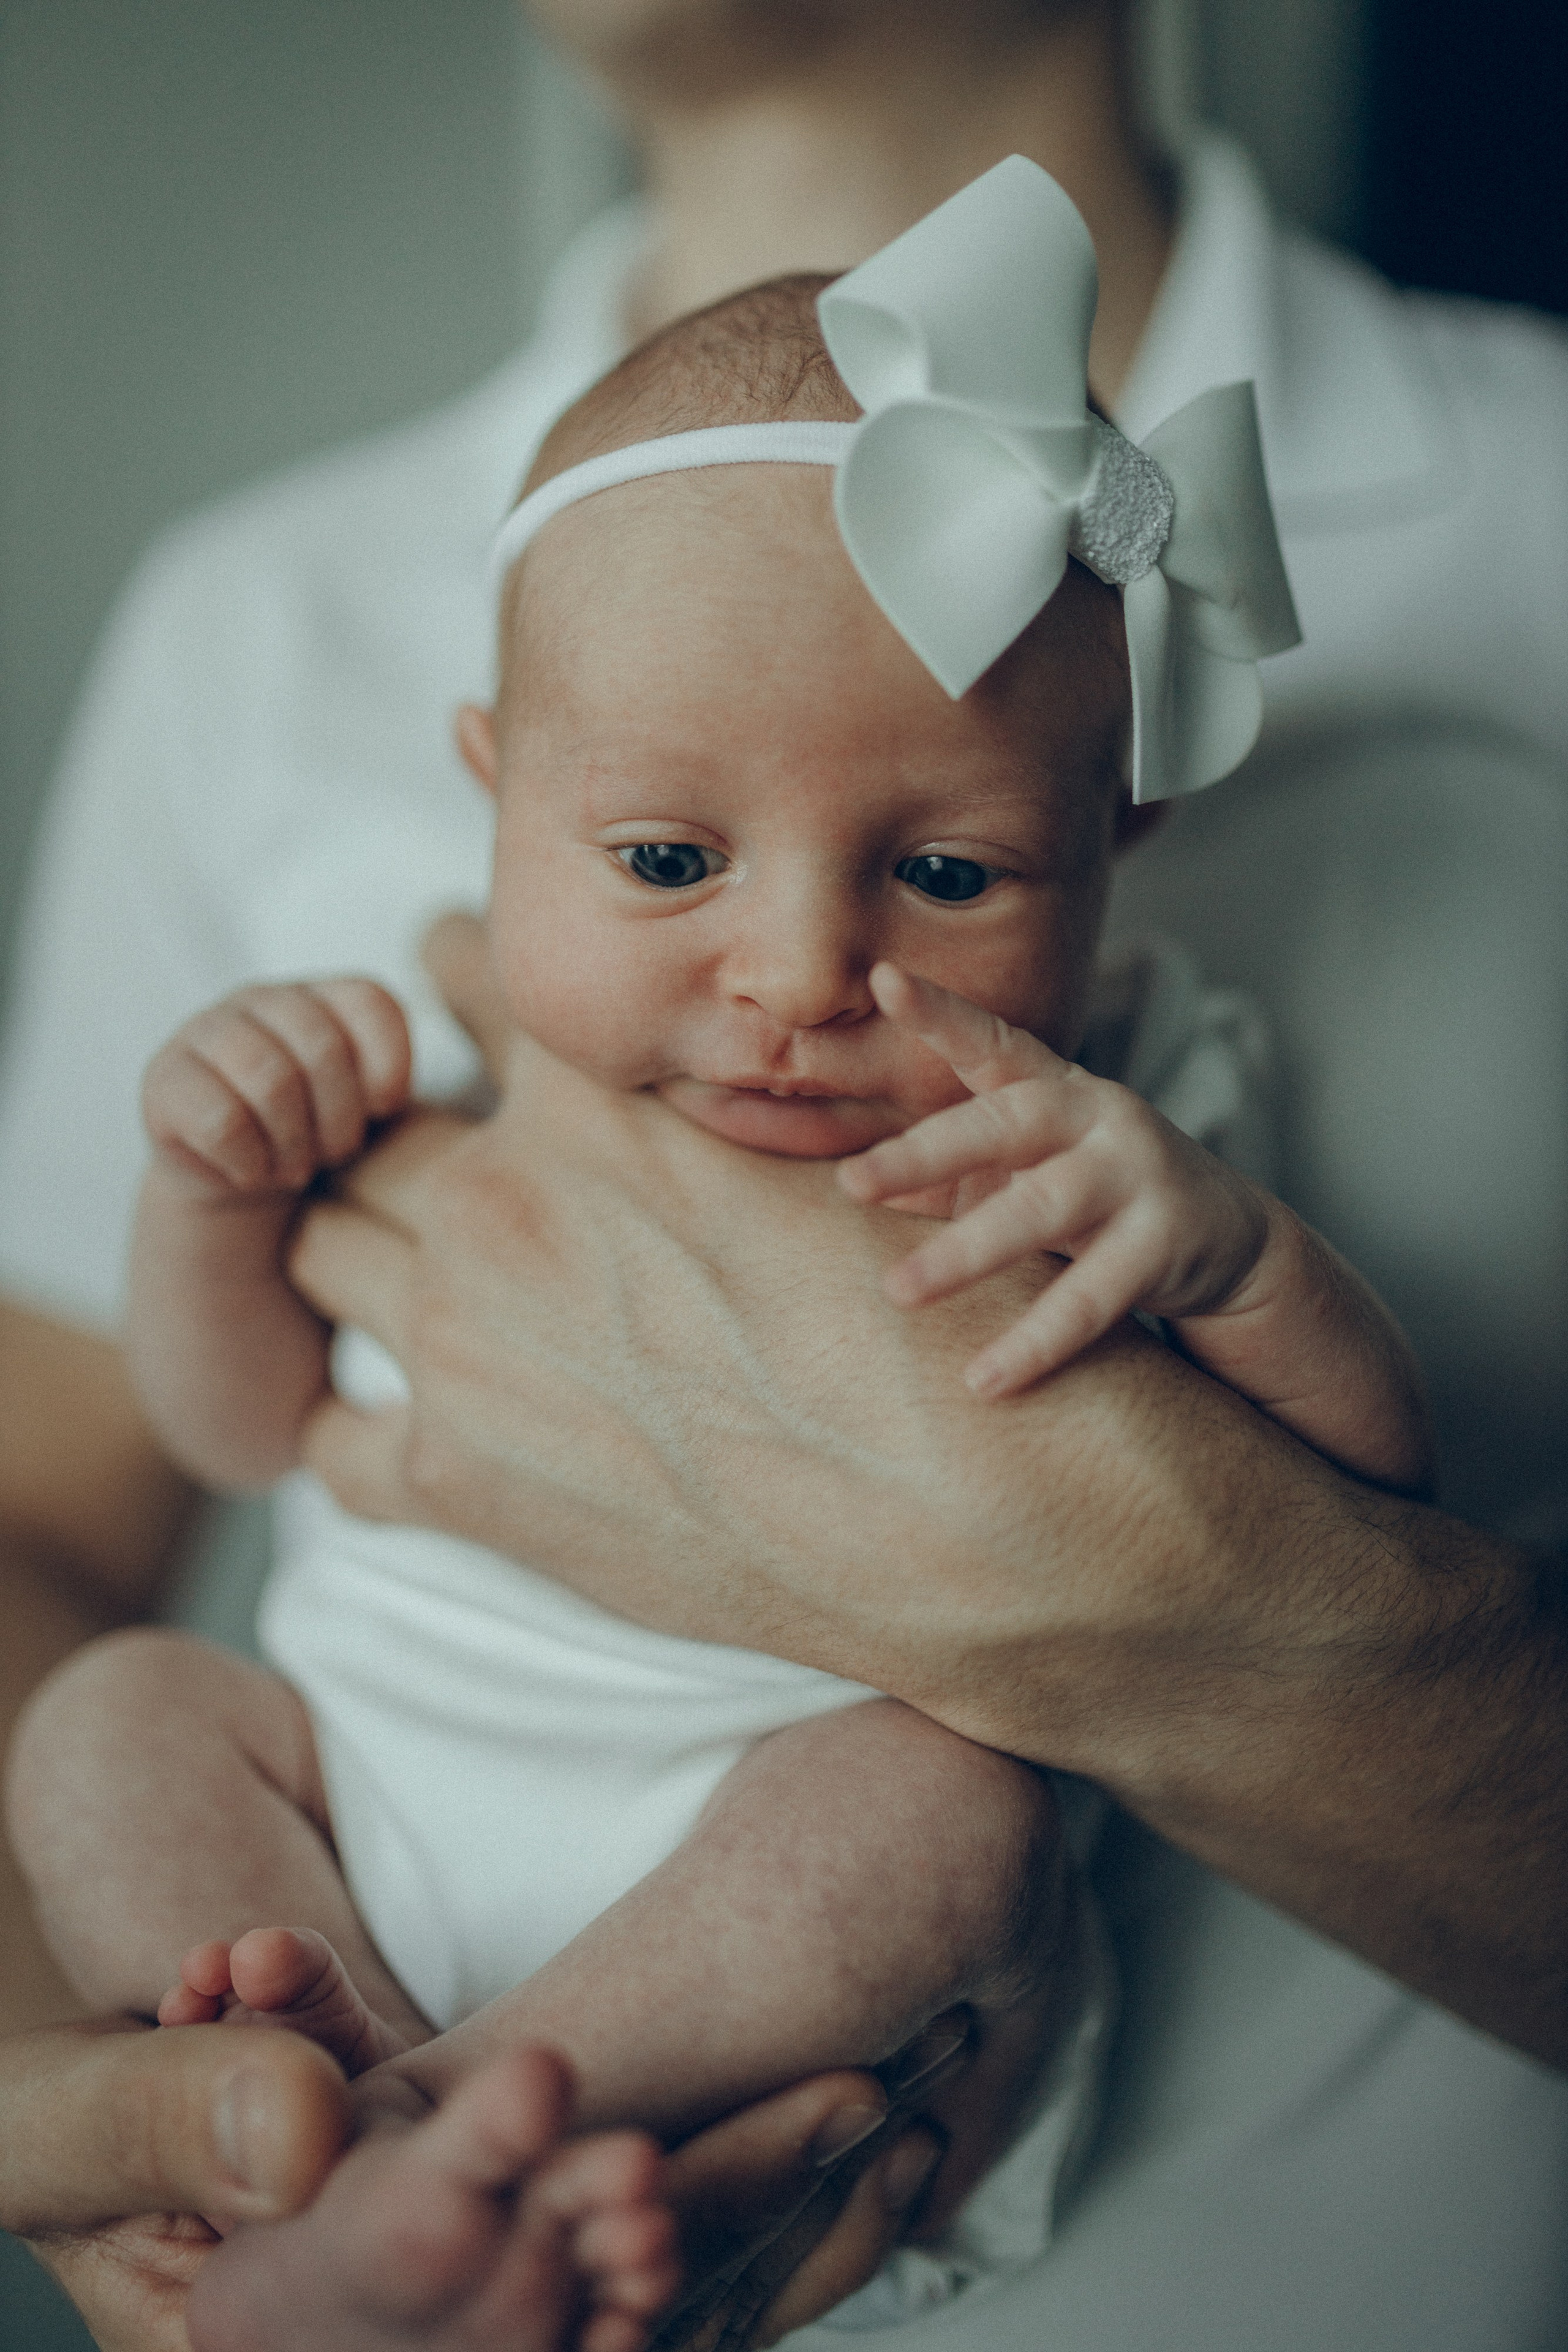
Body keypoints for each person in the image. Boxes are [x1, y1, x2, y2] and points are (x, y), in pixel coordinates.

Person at [0, 1, 1564, 2346]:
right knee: (115, 1716)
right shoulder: (260, 629)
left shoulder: (1121, 1095)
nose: (796, 970)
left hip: (1178, 2185)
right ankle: (304, 2116)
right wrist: (223, 1188)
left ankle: (469, 2121)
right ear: (484, 780)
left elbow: (1377, 1479)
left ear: (1117, 834)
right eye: (656, 857)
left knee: (929, 1818)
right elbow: (196, 1452)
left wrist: (1222, 1267)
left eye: (947, 878)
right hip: (361, 1807)